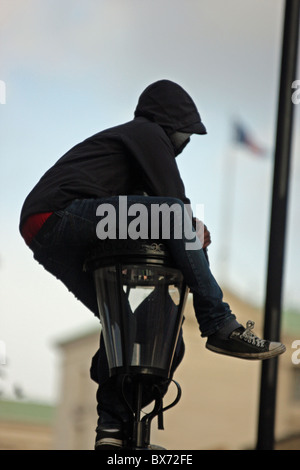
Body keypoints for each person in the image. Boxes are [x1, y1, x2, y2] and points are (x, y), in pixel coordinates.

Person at [19, 79, 286, 450]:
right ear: (172, 124)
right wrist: (190, 228)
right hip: (56, 215)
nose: (186, 143)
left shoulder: (128, 160)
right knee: (176, 215)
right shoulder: (147, 133)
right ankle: (219, 322)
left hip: (49, 236)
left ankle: (113, 432)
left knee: (136, 328)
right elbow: (173, 202)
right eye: (186, 133)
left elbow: (146, 217)